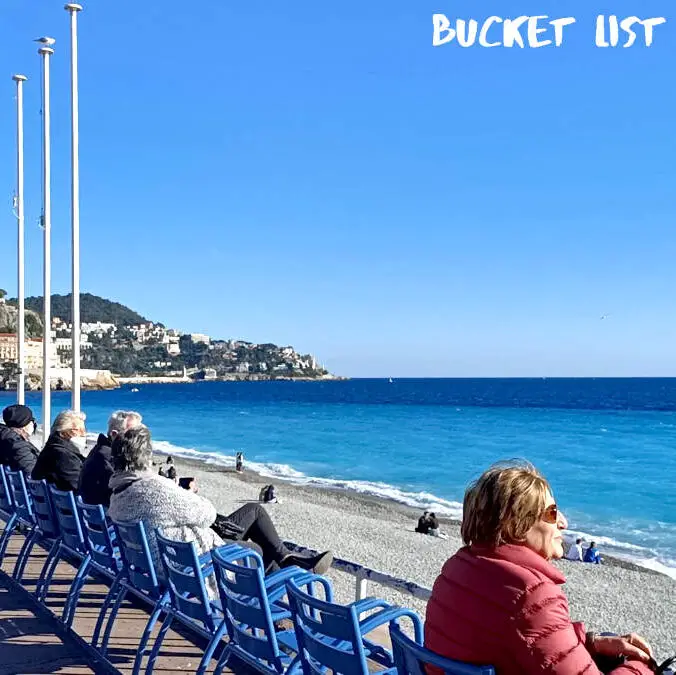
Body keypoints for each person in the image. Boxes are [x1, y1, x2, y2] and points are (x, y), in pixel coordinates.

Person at [425, 461, 656, 675]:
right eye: (552, 513)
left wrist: (590, 642)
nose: (563, 523)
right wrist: (641, 667)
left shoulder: (457, 568)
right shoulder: (531, 593)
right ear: (517, 524)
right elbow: (526, 624)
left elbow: (515, 638)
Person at [107, 426, 333, 597]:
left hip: (163, 565)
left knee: (254, 512)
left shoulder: (119, 492)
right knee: (257, 550)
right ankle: (260, 608)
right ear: (146, 456)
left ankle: (287, 564)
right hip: (192, 567)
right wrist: (187, 492)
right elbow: (207, 514)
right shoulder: (152, 489)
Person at [77, 410, 142, 506]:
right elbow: (123, 490)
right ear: (114, 434)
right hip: (103, 515)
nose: (136, 440)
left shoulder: (101, 450)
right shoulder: (106, 457)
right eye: (131, 435)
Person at [32, 410, 87, 492]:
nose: (84, 434)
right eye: (79, 430)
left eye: (84, 430)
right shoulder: (64, 456)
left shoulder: (50, 449)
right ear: (64, 432)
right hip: (65, 503)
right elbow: (78, 487)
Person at [0, 404, 39, 474]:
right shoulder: (18, 445)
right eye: (32, 421)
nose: (33, 424)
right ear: (24, 425)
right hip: (19, 484)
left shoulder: (5, 438)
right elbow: (32, 472)